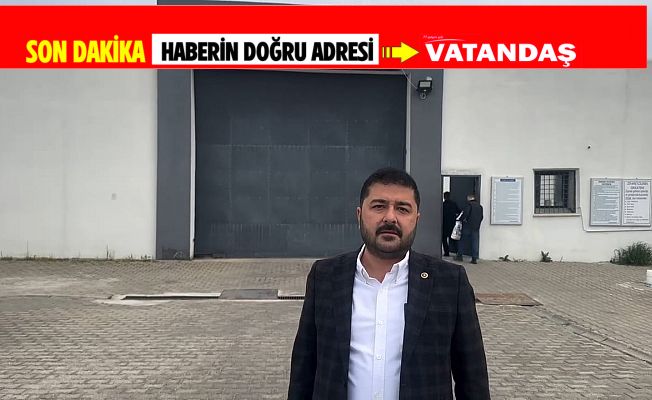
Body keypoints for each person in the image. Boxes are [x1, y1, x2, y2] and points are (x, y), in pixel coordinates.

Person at [288, 167, 490, 400]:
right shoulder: (325, 276)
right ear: (359, 214)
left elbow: (472, 378)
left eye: (402, 209)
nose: (390, 217)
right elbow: (303, 369)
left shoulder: (450, 283)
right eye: (379, 206)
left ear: (416, 219)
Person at [455, 194, 484, 264]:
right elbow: (481, 217)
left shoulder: (469, 205)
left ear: (469, 198)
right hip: (476, 227)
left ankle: (459, 256)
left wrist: (461, 219)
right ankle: (474, 258)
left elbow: (465, 214)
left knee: (462, 241)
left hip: (467, 226)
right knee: (475, 242)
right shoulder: (480, 206)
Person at [441, 191, 461, 257]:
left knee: (444, 239)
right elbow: (459, 211)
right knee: (453, 238)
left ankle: (446, 252)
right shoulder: (454, 204)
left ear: (444, 197)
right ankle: (458, 253)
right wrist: (455, 216)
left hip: (444, 224)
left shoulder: (443, 204)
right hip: (452, 224)